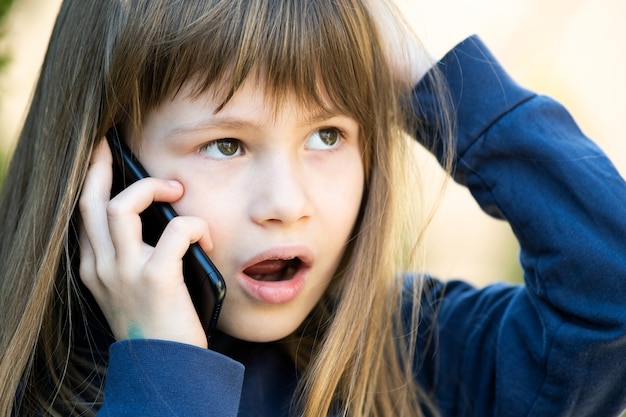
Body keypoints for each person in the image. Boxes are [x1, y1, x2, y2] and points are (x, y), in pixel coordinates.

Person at [0, 1, 625, 416]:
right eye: (226, 144)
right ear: (102, 166)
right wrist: (164, 371)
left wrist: (422, 74)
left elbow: (612, 289)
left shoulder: (414, 354)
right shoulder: (28, 389)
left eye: (327, 135)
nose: (286, 204)